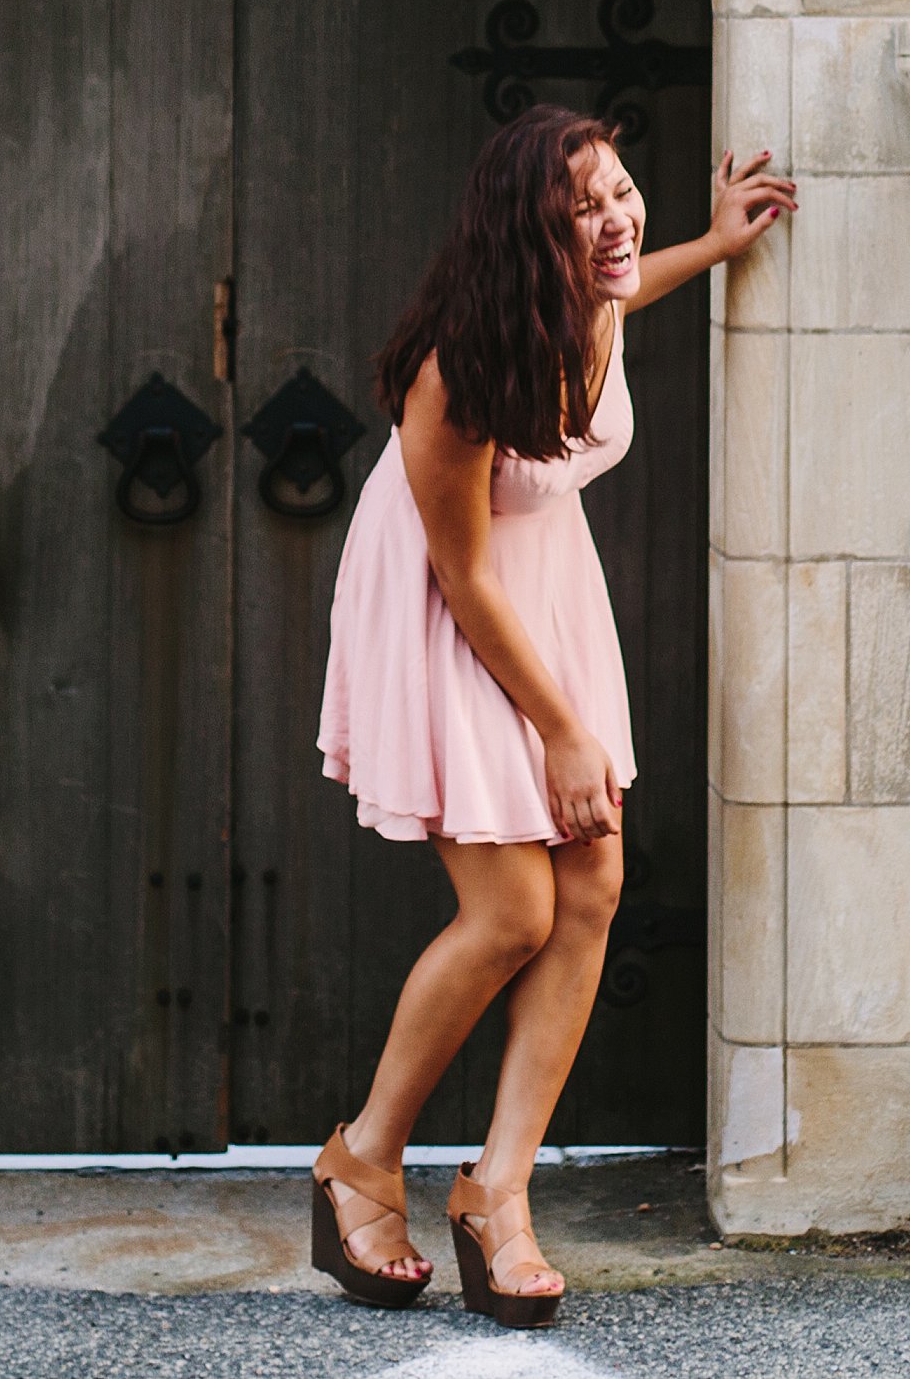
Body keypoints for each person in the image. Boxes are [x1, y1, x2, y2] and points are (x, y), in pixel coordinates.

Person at [307, 106, 795, 1326]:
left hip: (542, 595)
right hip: (448, 608)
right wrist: (564, 730)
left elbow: (632, 288)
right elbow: (459, 575)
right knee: (513, 905)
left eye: (619, 191)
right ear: (531, 236)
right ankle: (362, 1157)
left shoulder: (595, 295)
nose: (615, 219)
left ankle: (497, 1189)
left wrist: (712, 241)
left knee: (589, 891)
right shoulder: (458, 367)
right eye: (584, 209)